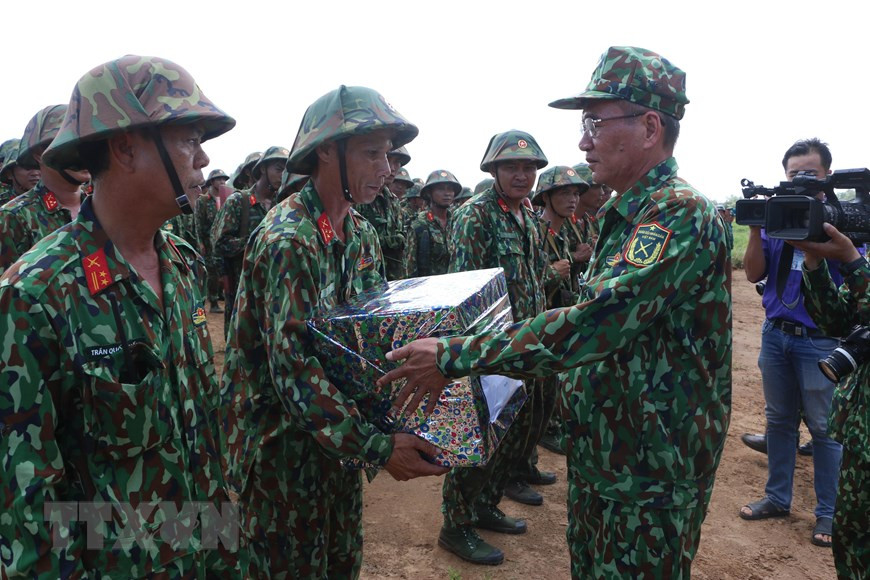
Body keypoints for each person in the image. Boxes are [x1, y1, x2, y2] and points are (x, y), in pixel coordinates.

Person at [378, 46, 731, 578]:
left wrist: (454, 355)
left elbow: (595, 323)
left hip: (650, 468)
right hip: (610, 455)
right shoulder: (626, 212)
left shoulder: (677, 213)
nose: (583, 140)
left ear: (650, 127)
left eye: (594, 122)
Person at [0, 54, 237, 577]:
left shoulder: (182, 263)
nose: (202, 160)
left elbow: (199, 432)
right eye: (187, 140)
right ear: (126, 146)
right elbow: (28, 505)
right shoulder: (36, 293)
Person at [219, 85, 447, 578]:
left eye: (387, 155)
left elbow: (368, 340)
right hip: (282, 453)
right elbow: (295, 372)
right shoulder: (289, 239)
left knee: (342, 561)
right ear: (325, 151)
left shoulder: (359, 232)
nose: (386, 169)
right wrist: (379, 447)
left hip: (337, 443)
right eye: (371, 153)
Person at [437, 129, 550, 566]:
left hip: (525, 348)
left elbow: (537, 281)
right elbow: (467, 292)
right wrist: (476, 357)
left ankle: (484, 504)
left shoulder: (527, 217)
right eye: (512, 167)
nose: (522, 175)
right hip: (489, 351)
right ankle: (455, 523)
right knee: (481, 435)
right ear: (493, 171)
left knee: (513, 435)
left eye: (528, 168)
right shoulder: (475, 216)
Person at [740, 138, 846, 548]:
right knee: (779, 421)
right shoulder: (774, 218)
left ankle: (828, 514)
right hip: (776, 334)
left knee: (824, 429)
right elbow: (751, 274)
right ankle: (777, 498)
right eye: (794, 173)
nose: (800, 179)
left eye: (810, 173)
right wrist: (754, 227)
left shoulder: (840, 221)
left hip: (821, 339)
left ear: (827, 177)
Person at [791, 223, 870, 578]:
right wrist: (814, 260)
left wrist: (852, 260)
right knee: (852, 537)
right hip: (859, 435)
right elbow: (835, 318)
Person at [0, 105, 90, 275]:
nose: (83, 154)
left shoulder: (103, 209)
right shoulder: (13, 219)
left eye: (87, 143)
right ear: (39, 154)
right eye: (70, 144)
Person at [212, 145, 287, 336]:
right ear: (263, 169)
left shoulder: (283, 204)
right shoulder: (239, 201)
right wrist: (255, 242)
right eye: (278, 169)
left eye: (285, 170)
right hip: (241, 286)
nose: (283, 175)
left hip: (273, 286)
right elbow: (220, 244)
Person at [356, 145, 412, 280]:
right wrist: (391, 241)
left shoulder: (393, 201)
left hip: (395, 280)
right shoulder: (359, 197)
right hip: (367, 282)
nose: (392, 168)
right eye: (388, 159)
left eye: (397, 163)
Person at [410, 169, 460, 277]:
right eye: (441, 189)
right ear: (429, 193)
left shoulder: (457, 222)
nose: (447, 193)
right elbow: (410, 269)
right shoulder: (419, 225)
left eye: (450, 189)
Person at [196, 168, 229, 313]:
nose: (222, 181)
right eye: (219, 179)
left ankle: (220, 293)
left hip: (223, 241)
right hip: (209, 242)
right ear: (212, 181)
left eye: (224, 179)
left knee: (223, 268)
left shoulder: (227, 197)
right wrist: (200, 242)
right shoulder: (203, 200)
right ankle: (213, 301)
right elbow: (198, 222)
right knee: (212, 272)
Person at [0, 138, 39, 206]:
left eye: (38, 167)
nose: (35, 173)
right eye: (27, 167)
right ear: (9, 173)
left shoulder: (58, 198)